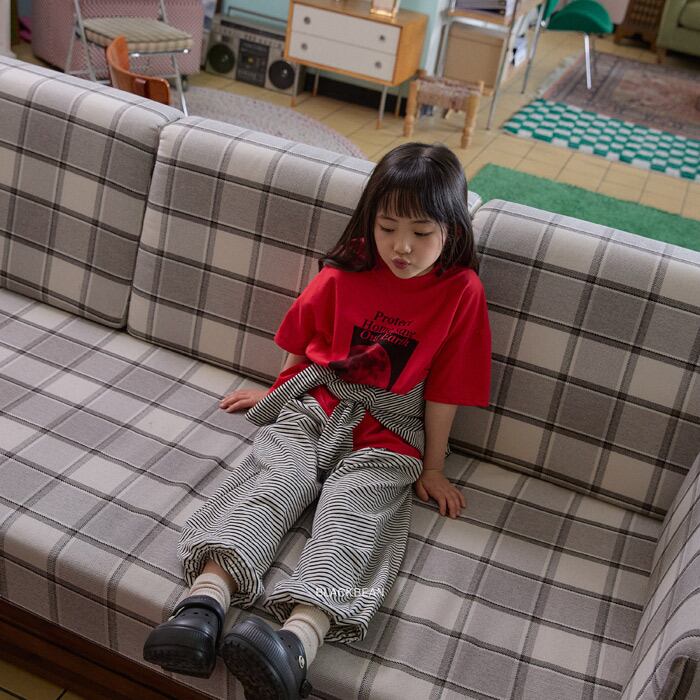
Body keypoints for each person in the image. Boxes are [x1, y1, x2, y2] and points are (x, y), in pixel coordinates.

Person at [143, 142, 492, 699]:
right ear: (369, 220)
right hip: (317, 403)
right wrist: (276, 393)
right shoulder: (347, 267)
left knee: (354, 511)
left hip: (390, 429)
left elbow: (446, 388)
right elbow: (302, 339)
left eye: (421, 232)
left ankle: (296, 643)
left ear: (451, 230)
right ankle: (202, 606)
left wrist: (433, 466)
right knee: (276, 481)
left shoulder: (461, 292)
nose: (402, 246)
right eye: (387, 228)